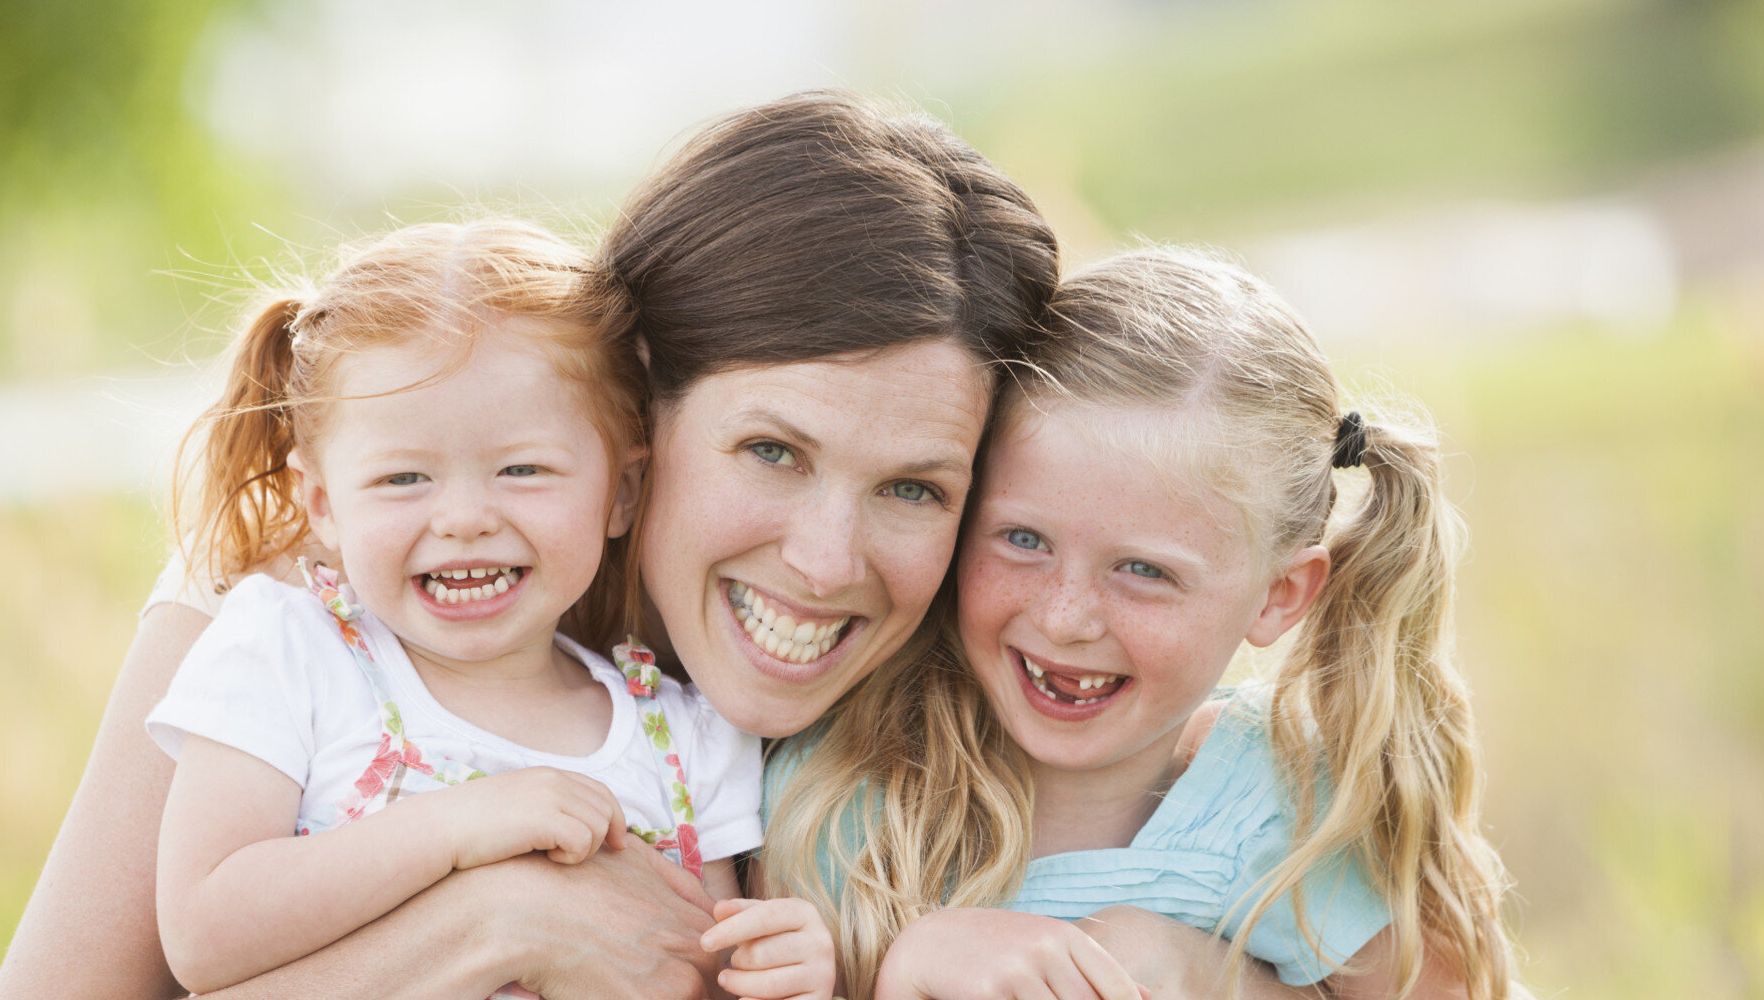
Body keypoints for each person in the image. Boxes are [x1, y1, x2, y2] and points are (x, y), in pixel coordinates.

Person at [0, 92, 1063, 998]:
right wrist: (496, 920)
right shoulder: (306, 602)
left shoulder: (977, 718)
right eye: (771, 450)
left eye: (913, 488)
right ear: (633, 417)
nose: (828, 561)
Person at [761, 248, 1525, 999]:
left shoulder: (1301, 822)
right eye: (1024, 540)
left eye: (1145, 572)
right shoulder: (837, 792)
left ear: (1280, 595)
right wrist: (910, 969)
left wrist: (1207, 979)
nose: (1064, 619)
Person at [138, 217, 846, 1000]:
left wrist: (779, 968)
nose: (463, 518)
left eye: (522, 468)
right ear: (322, 504)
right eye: (404, 479)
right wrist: (460, 828)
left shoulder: (685, 737)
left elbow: (694, 968)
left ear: (623, 491)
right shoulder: (290, 655)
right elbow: (203, 937)